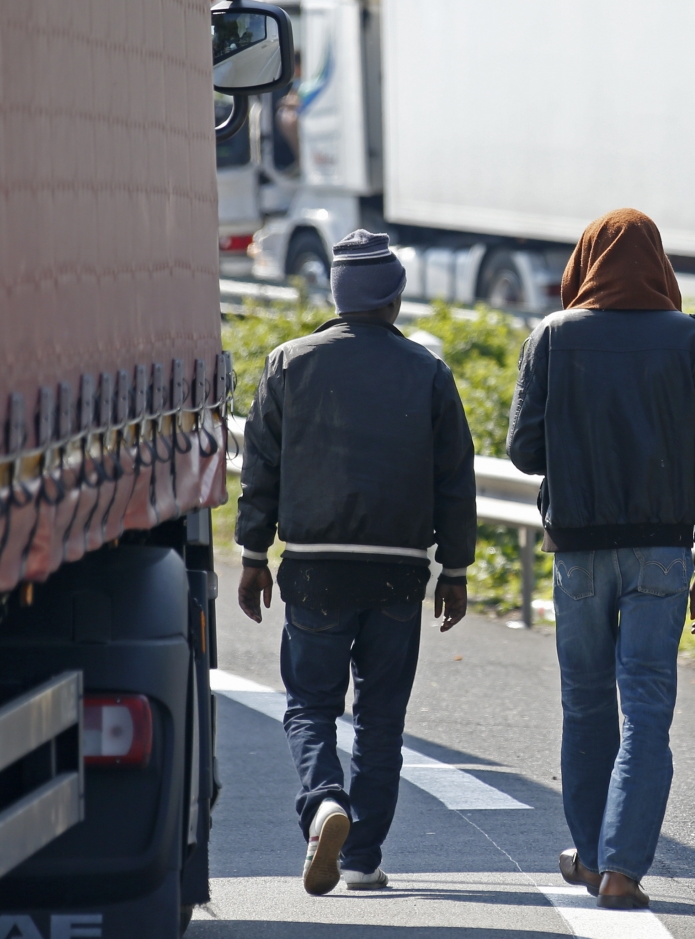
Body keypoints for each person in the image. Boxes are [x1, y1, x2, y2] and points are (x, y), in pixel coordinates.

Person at [235, 229, 476, 897]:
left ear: (338, 296)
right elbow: (456, 479)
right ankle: (363, 855)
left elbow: (261, 469)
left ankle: (322, 802)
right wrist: (454, 568)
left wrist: (254, 555)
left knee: (310, 704)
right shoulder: (428, 371)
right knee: (380, 716)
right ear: (394, 298)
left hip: (313, 566)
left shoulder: (289, 362)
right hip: (399, 569)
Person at [507, 208, 695, 910]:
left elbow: (523, 450)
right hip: (664, 553)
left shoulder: (551, 337)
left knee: (584, 704)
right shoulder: (692, 339)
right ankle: (621, 868)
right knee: (647, 709)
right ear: (659, 264)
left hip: (578, 553)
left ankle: (596, 851)